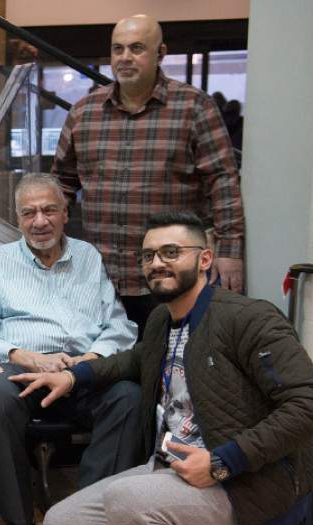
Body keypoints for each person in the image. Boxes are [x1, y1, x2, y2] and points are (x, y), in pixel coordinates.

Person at [12, 211, 313, 525]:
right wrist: (72, 374)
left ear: (205, 259)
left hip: (241, 482)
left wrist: (222, 461)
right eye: (149, 255)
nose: (157, 263)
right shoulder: (160, 321)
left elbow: (306, 405)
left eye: (172, 252)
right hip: (171, 470)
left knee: (124, 499)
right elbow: (133, 360)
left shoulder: (249, 318)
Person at [0, 173, 143, 525]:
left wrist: (88, 362)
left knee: (129, 397)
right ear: (18, 218)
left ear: (66, 213)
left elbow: (117, 324)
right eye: (29, 212)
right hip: (22, 370)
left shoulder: (89, 258)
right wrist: (20, 354)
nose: (40, 220)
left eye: (49, 210)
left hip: (81, 372)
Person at [52, 14, 245, 335]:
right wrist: (49, 248)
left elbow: (223, 181)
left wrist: (230, 253)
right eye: (118, 49)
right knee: (109, 375)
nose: (125, 57)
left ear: (161, 53)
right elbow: (62, 184)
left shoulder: (194, 107)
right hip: (101, 278)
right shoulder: (83, 113)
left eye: (137, 48)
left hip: (173, 275)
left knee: (174, 373)